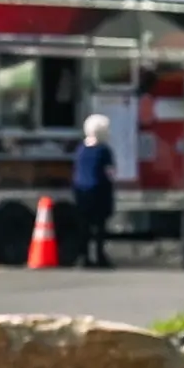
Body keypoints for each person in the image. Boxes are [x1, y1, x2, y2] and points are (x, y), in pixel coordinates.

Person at [71, 113, 116, 269]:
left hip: (80, 192)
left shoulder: (81, 149)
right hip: (99, 192)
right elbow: (110, 173)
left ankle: (83, 257)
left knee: (84, 226)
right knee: (99, 227)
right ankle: (100, 257)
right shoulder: (104, 150)